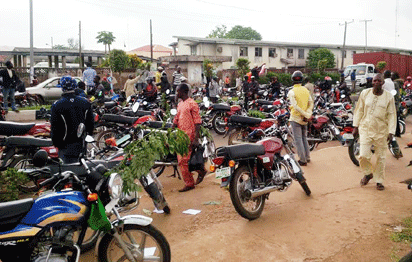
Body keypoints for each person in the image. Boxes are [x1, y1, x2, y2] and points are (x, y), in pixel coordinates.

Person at [352, 74, 396, 191]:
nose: (376, 82)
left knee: (381, 157)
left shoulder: (389, 97)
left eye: (379, 81)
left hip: (381, 131)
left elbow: (392, 115)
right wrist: (355, 126)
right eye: (375, 80)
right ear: (372, 82)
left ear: (382, 83)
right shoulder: (365, 93)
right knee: (363, 155)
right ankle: (368, 173)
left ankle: (379, 180)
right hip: (365, 128)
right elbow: (359, 110)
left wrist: (391, 132)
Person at [50, 76, 94, 164]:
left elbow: (55, 127)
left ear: (62, 87)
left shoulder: (57, 105)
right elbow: (90, 124)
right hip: (81, 143)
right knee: (82, 169)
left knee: (67, 172)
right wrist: (87, 136)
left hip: (64, 145)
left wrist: (56, 143)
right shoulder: (85, 102)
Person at [172, 83, 207, 192]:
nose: (176, 93)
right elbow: (177, 117)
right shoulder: (180, 104)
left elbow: (197, 122)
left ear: (183, 92)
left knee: (182, 160)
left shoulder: (192, 104)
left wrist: (196, 138)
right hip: (180, 134)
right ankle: (200, 170)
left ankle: (189, 183)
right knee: (185, 160)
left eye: (178, 91)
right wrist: (173, 126)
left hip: (189, 135)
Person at [287, 71, 313, 166]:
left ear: (292, 80)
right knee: (304, 138)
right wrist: (307, 114)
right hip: (305, 119)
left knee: (298, 139)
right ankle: (307, 157)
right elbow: (311, 103)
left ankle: (302, 160)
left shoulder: (291, 91)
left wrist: (303, 114)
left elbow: (295, 106)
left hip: (295, 118)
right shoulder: (306, 90)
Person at [392, 72, 403, 138]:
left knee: (395, 119)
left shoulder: (395, 83)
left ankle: (397, 133)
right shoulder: (399, 83)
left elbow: (394, 93)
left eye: (392, 75)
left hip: (395, 103)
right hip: (398, 102)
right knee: (396, 119)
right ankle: (397, 133)